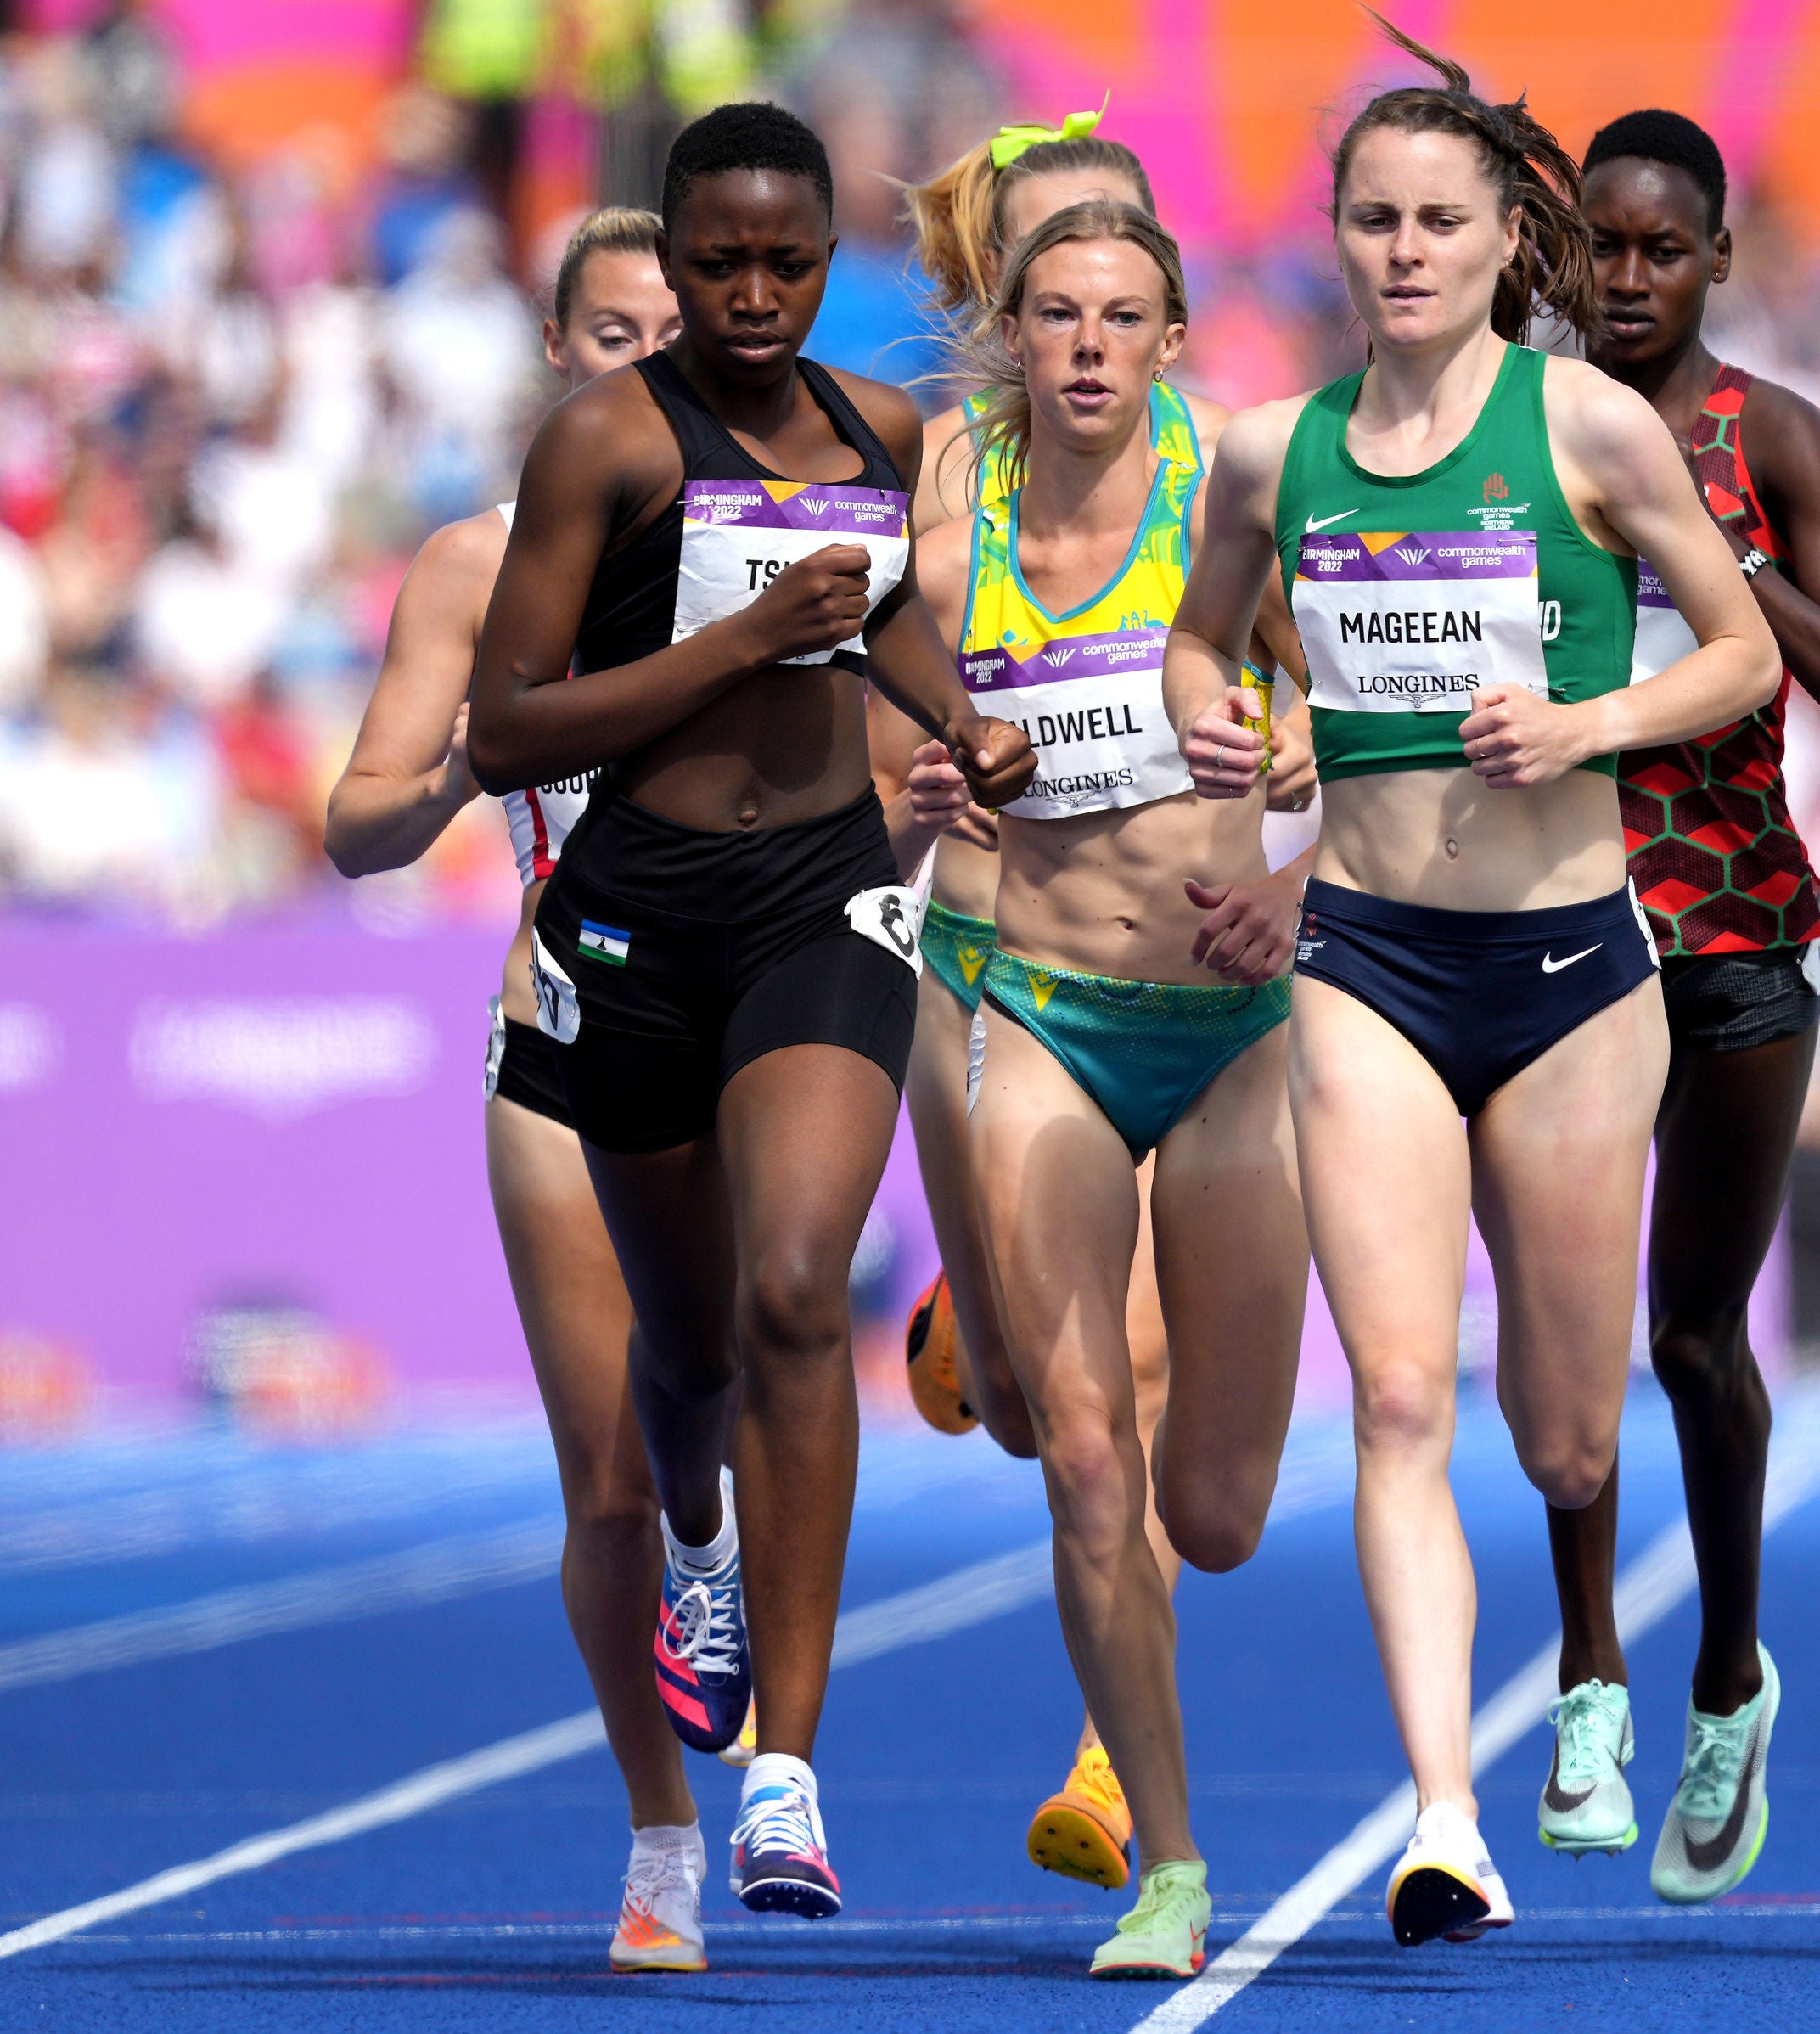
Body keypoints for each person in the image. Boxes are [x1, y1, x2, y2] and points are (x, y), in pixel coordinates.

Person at [1165, 24, 1780, 1950]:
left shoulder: (1592, 430)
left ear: (1508, 238)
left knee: (1567, 1437)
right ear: (1336, 238)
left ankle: (1655, 1672)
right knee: (1400, 1402)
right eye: (1373, 220)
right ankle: (1443, 1810)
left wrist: (1587, 712)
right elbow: (1201, 648)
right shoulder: (1273, 451)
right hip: (1364, 958)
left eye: (1439, 220)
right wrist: (1224, 722)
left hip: (1579, 969)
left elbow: (1744, 657)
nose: (1404, 251)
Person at [465, 103, 1036, 1924]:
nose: (756, 292)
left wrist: (964, 718)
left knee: (802, 1288)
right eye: (720, 261)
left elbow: (883, 628)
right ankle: (694, 1535)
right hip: (634, 916)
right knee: (690, 1350)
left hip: (822, 894)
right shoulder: (604, 447)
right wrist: (732, 640)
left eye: (790, 261)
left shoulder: (888, 431)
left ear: (825, 258)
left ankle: (785, 1770)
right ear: (679, 250)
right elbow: (506, 726)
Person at [884, 108, 1317, 1895]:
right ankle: (1164, 1849)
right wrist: (909, 777)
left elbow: (1342, 718)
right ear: (1010, 314)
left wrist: (1287, 781)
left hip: (1218, 1023)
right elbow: (874, 714)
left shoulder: (1243, 477)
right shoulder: (941, 482)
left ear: (1166, 326)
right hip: (1007, 986)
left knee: (1207, 1510)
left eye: (1117, 309)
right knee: (1078, 1428)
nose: (1082, 341)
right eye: (1051, 306)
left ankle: (972, 1334)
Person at [327, 207, 731, 1976]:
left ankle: (774, 1746)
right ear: (560, 354)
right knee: (610, 1480)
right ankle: (662, 1833)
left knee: (752, 1408)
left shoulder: (782, 535)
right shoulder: (475, 563)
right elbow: (359, 816)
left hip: (753, 1026)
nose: (653, 357)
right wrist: (436, 792)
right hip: (563, 1021)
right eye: (618, 332)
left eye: (679, 328)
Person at [1535, 108, 1820, 1901]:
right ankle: (1590, 1673)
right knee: (1566, 1343)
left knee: (1693, 1335)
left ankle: (1722, 1675)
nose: (1625, 278)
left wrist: (1714, 548)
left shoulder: (1769, 434)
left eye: (1658, 250)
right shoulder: (1504, 424)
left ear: (1713, 261)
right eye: (1599, 246)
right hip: (1542, 920)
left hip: (1737, 921)